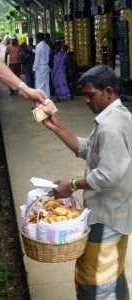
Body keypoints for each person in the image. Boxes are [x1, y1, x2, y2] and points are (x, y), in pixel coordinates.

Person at [43, 64, 132, 299]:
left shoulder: (111, 126)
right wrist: (57, 127)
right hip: (115, 212)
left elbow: (107, 176)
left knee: (93, 280)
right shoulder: (114, 117)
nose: (85, 100)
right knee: (111, 271)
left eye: (90, 94)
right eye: (84, 94)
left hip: (107, 215)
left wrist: (71, 185)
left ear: (109, 92)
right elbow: (89, 149)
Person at [33, 32, 50, 98]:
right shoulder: (47, 46)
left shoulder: (39, 46)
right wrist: (33, 50)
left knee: (39, 84)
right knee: (46, 84)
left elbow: (37, 58)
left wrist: (34, 69)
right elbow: (43, 54)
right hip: (46, 66)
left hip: (40, 66)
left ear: (38, 38)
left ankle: (40, 100)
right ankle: (47, 99)